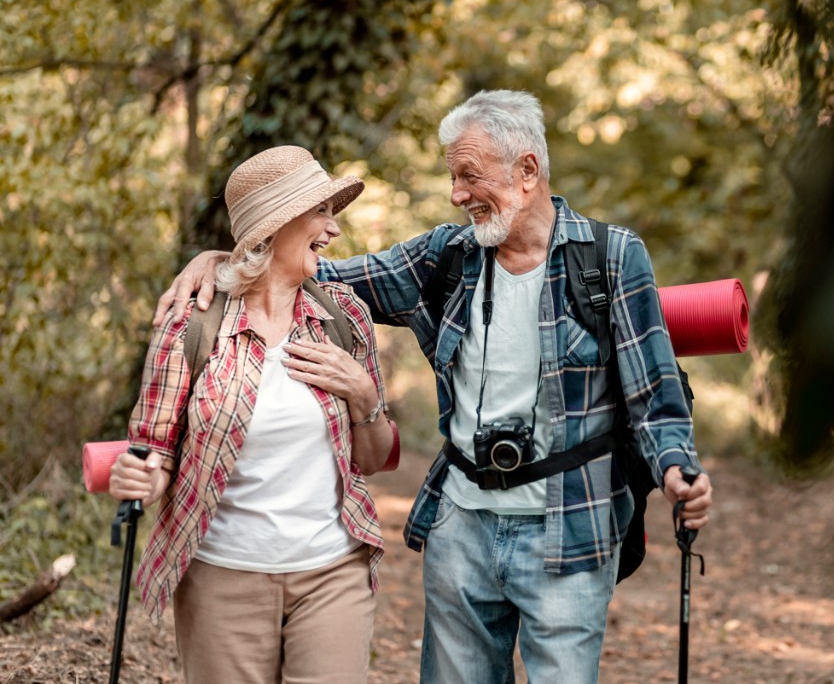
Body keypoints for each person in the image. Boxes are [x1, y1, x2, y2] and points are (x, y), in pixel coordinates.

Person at [157, 90, 713, 684]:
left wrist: (675, 466)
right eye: (453, 177)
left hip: (571, 523)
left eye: (469, 175)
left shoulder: (610, 258)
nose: (457, 194)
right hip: (461, 527)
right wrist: (223, 258)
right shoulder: (445, 257)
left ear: (527, 172)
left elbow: (652, 390)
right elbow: (306, 271)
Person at [112, 146, 394, 684]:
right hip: (222, 577)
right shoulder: (192, 325)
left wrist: (363, 394)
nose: (333, 229)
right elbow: (153, 450)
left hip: (332, 572)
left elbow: (374, 459)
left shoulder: (343, 316)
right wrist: (141, 475)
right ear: (277, 223)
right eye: (320, 212)